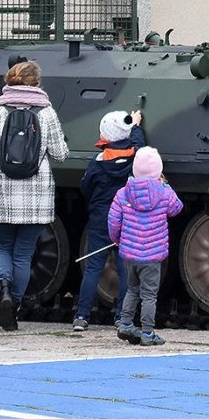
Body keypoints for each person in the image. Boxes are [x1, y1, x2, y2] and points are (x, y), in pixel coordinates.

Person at [0, 60, 69, 332]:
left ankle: (4, 289)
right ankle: (14, 305)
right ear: (37, 83)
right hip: (36, 191)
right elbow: (60, 155)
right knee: (23, 253)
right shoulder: (47, 114)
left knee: (2, 247)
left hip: (5, 190)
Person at [73, 109, 146, 331]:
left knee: (93, 267)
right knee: (125, 270)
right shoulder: (135, 157)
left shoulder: (97, 162)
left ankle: (82, 316)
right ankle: (122, 317)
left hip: (101, 221)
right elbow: (140, 147)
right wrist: (136, 126)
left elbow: (85, 188)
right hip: (127, 221)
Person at [109, 146, 183, 347]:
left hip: (130, 254)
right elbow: (177, 208)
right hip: (152, 256)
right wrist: (166, 186)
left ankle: (125, 324)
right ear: (158, 172)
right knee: (149, 295)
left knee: (132, 289)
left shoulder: (123, 194)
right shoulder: (163, 193)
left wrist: (117, 240)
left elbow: (113, 221)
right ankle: (147, 333)